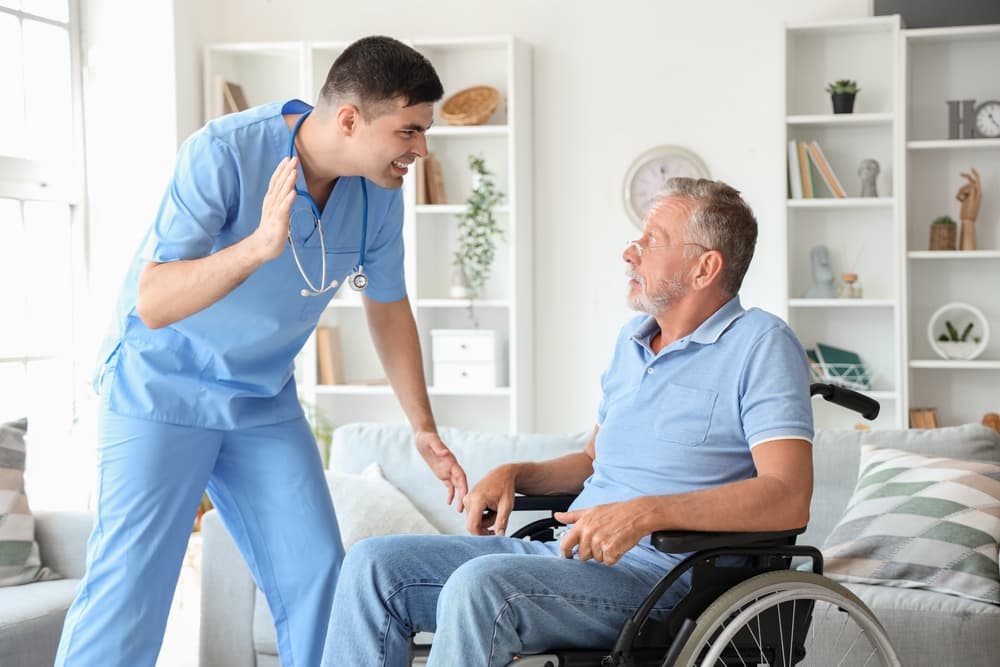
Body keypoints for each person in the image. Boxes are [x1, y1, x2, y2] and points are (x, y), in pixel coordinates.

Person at [56, 35, 468, 667]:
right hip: (160, 389)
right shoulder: (222, 153)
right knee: (130, 594)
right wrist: (255, 247)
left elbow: (385, 303)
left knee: (321, 582)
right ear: (351, 119)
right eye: (410, 130)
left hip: (260, 399)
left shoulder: (378, 190)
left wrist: (422, 426)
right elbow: (155, 300)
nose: (421, 148)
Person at [322, 177, 815, 667]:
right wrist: (516, 473)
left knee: (483, 585)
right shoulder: (633, 341)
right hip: (570, 560)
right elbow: (591, 459)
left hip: (665, 580)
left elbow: (788, 496)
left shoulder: (761, 343)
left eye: (652, 242)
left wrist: (646, 513)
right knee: (372, 566)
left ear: (705, 267)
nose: (630, 253)